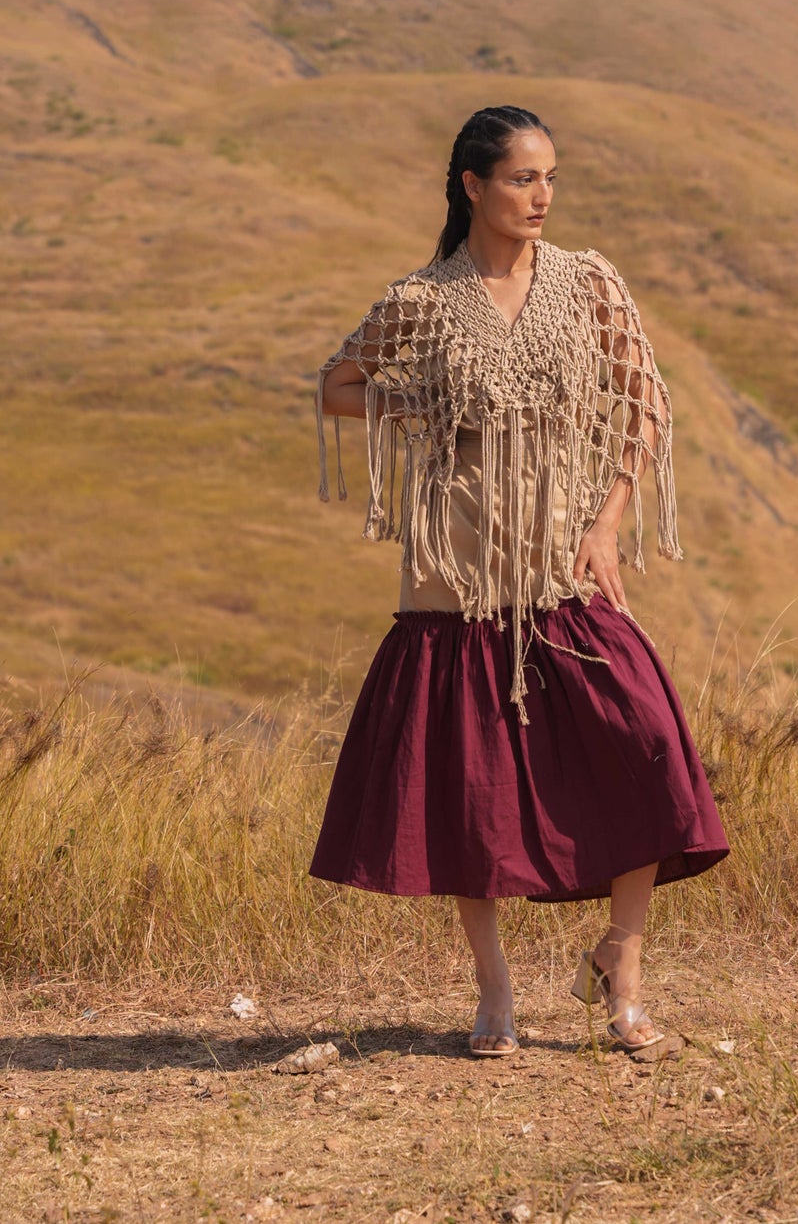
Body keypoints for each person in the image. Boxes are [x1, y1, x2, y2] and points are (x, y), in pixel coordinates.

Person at [310, 105, 729, 1057]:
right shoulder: (423, 298)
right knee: (472, 781)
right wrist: (419, 401)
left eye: (550, 178)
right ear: (472, 185)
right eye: (521, 178)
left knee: (644, 740)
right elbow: (336, 385)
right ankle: (493, 987)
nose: (541, 196)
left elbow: (645, 405)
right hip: (456, 560)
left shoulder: (587, 281)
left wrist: (607, 522)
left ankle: (620, 964)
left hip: (563, 551)